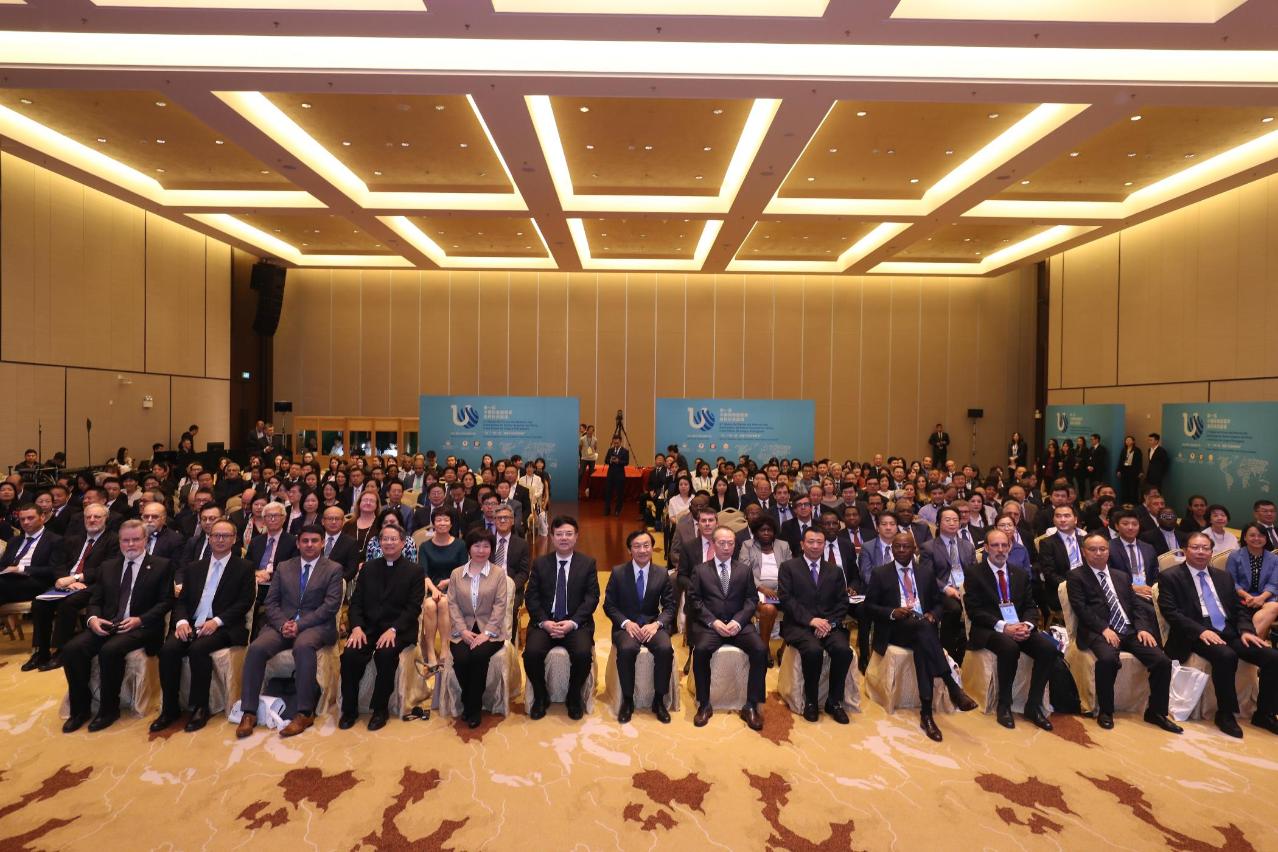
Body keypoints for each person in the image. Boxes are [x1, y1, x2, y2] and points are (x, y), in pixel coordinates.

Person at [1158, 532, 1278, 737]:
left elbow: (1239, 609)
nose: (1201, 552)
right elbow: (1171, 612)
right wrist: (1201, 630)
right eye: (1195, 547)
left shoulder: (1223, 577)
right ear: (1185, 550)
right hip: (1195, 632)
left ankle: (1264, 714)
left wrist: (1246, 630)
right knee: (1226, 655)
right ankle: (1225, 713)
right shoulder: (1170, 576)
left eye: (1205, 548)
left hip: (1228, 631)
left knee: (1272, 656)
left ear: (1211, 552)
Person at [61, 520, 174, 733]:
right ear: (120, 541)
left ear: (145, 540)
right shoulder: (108, 567)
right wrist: (93, 619)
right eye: (125, 540)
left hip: (143, 626)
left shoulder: (162, 565)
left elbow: (166, 602)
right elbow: (95, 600)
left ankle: (108, 710)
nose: (130, 544)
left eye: (136, 539)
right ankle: (80, 710)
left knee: (110, 650)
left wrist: (140, 619)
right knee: (72, 649)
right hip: (108, 623)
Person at [864, 532, 978, 742]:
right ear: (892, 549)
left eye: (905, 546)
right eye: (897, 547)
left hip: (921, 627)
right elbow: (869, 607)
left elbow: (938, 603)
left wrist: (933, 615)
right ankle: (952, 686)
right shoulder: (881, 573)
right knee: (924, 632)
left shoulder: (925, 572)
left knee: (922, 642)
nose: (901, 550)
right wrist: (892, 612)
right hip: (895, 628)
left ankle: (927, 714)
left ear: (914, 548)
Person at [1065, 534, 1181, 733]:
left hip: (1129, 630)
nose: (1098, 553)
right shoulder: (1076, 576)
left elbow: (1136, 605)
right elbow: (1081, 608)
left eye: (1103, 549)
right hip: (1099, 630)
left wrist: (1143, 628)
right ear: (1084, 552)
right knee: (1107, 659)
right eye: (1093, 549)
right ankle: (1106, 711)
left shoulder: (1121, 575)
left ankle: (1156, 712)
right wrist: (1104, 629)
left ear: (1108, 551)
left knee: (1162, 661)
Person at [236, 525, 343, 739]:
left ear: (322, 543)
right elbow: (271, 602)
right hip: (282, 624)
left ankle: (304, 713)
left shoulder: (333, 569)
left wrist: (299, 625)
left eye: (314, 540)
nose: (310, 545)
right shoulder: (284, 567)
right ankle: (249, 711)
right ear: (298, 543)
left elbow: (330, 606)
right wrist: (283, 623)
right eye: (305, 541)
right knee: (256, 648)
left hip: (316, 625)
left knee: (303, 646)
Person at [152, 519, 256, 733]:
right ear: (209, 538)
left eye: (225, 536)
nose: (220, 539)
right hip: (192, 623)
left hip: (224, 626)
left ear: (234, 539)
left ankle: (200, 707)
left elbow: (244, 602)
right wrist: (181, 621)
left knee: (198, 649)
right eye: (216, 535)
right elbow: (181, 601)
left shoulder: (244, 568)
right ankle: (170, 709)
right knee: (168, 650)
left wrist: (216, 622)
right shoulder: (194, 567)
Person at [964, 528, 1057, 730]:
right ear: (986, 548)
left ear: (1010, 547)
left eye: (1004, 545)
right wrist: (1005, 627)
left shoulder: (1020, 574)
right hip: (989, 628)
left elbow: (1030, 606)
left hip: (1019, 626)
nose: (1000, 550)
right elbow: (974, 611)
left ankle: (1033, 706)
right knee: (1009, 647)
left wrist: (1027, 625)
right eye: (995, 545)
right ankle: (1004, 705)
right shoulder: (974, 573)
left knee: (1049, 648)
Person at [339, 525, 425, 731]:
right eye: (385, 539)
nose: (389, 542)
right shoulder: (368, 568)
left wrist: (394, 629)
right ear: (379, 543)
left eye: (393, 539)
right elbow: (356, 603)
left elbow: (413, 608)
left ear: (403, 543)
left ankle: (380, 709)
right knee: (349, 655)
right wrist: (356, 627)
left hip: (399, 629)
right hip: (367, 628)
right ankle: (349, 710)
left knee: (385, 655)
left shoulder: (414, 571)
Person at [688, 525, 769, 730]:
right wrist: (713, 621)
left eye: (730, 543)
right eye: (722, 543)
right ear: (713, 544)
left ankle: (751, 705)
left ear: (735, 545)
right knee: (701, 650)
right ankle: (704, 704)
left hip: (738, 625)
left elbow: (751, 600)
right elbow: (694, 601)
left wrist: (738, 621)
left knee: (760, 649)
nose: (726, 547)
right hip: (711, 626)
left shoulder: (744, 570)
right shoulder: (700, 570)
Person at [522, 515, 599, 720]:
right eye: (559, 534)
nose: (564, 538)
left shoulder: (587, 563)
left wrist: (572, 623)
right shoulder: (540, 563)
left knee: (583, 654)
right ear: (552, 537)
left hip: (575, 623)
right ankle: (541, 696)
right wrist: (545, 622)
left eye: (568, 534)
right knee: (531, 653)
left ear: (576, 536)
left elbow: (592, 598)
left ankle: (573, 696)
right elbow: (531, 597)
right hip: (546, 622)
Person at [25, 504, 118, 672]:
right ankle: (41, 652)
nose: (92, 520)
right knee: (39, 603)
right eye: (88, 517)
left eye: (97, 517)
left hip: (92, 585)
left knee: (68, 604)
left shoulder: (113, 540)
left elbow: (107, 568)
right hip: (66, 583)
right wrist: (63, 579)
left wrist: (76, 578)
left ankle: (62, 651)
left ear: (106, 519)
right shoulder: (73, 539)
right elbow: (58, 563)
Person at [778, 527, 854, 724]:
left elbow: (842, 602)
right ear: (802, 544)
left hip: (829, 625)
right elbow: (787, 600)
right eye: (810, 542)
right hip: (800, 625)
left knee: (843, 650)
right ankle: (811, 701)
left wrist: (829, 623)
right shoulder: (788, 567)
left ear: (824, 545)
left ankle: (834, 702)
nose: (815, 546)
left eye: (819, 542)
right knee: (813, 651)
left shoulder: (835, 570)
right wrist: (811, 621)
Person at [603, 529, 676, 724]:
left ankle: (659, 700)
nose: (642, 550)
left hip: (652, 624)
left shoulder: (661, 573)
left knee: (665, 648)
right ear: (629, 550)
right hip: (626, 626)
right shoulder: (618, 572)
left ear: (652, 548)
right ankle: (628, 701)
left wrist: (657, 624)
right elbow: (609, 605)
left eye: (646, 546)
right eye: (637, 546)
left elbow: (670, 606)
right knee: (627, 649)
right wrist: (626, 623)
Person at [446, 528, 510, 729]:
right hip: (462, 630)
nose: (481, 550)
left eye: (486, 546)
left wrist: (487, 633)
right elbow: (452, 604)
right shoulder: (457, 574)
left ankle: (472, 708)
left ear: (491, 549)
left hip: (491, 631)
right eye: (476, 546)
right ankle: (470, 700)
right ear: (469, 548)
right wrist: (462, 630)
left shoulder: (498, 574)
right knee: (461, 659)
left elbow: (500, 605)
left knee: (479, 656)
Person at [918, 507, 975, 665]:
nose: (952, 523)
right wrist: (946, 588)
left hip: (966, 589)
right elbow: (927, 575)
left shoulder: (967, 546)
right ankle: (946, 653)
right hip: (941, 591)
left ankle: (970, 650)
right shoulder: (928, 547)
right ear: (938, 523)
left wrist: (968, 588)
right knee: (954, 609)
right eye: (947, 520)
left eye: (955, 520)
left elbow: (974, 572)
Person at [739, 514, 792, 664]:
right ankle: (763, 648)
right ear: (756, 532)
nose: (766, 533)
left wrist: (781, 589)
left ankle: (785, 649)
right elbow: (744, 571)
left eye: (770, 530)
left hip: (781, 590)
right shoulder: (747, 545)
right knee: (769, 609)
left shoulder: (783, 545)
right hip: (756, 590)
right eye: (763, 530)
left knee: (800, 606)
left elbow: (791, 570)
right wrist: (761, 588)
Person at [419, 511, 465, 671]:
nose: (442, 523)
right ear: (433, 523)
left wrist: (447, 582)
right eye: (439, 520)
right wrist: (434, 590)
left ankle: (445, 651)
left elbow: (463, 571)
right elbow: (423, 573)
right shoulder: (425, 547)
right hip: (431, 588)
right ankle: (431, 653)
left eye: (446, 520)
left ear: (451, 524)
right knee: (430, 605)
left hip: (454, 587)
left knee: (444, 603)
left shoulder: (460, 545)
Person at [0, 503, 66, 606]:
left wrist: (21, 569)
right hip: (8, 580)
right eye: (22, 519)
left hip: (35, 582)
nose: (26, 522)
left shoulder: (55, 540)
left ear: (42, 517)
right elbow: (2, 565)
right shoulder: (14, 540)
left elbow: (53, 569)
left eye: (30, 518)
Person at [1225, 523, 1278, 639]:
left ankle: (1251, 641)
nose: (1256, 538)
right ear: (1245, 537)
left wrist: (1262, 598)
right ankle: (1257, 642)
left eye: (1261, 535)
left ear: (1266, 538)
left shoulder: (1274, 559)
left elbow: (1273, 584)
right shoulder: (1234, 556)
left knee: (1274, 607)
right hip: (1241, 598)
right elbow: (1231, 581)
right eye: (1252, 535)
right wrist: (1247, 596)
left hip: (1266, 598)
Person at [1036, 504, 1087, 618]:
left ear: (1075, 519)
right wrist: (1073, 586)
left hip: (1087, 587)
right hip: (1062, 590)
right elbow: (1049, 573)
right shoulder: (1047, 543)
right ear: (1054, 520)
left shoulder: (1085, 540)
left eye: (1067, 516)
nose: (1062, 520)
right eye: (1058, 516)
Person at [1107, 509, 1160, 597]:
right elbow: (1108, 575)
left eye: (1135, 524)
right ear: (1116, 526)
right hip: (1123, 593)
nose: (1130, 527)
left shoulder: (1148, 548)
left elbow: (1156, 574)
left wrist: (1153, 589)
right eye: (1125, 524)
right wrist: (1132, 588)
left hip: (1149, 592)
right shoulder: (1109, 547)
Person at [319, 506, 361, 582]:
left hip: (337, 583)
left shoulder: (351, 543)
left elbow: (351, 570)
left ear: (343, 522)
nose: (333, 522)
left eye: (337, 519)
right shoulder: (315, 539)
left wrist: (334, 582)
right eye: (330, 518)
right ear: (323, 521)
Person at [602, 436, 629, 517]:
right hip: (610, 474)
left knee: (619, 493)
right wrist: (610, 460)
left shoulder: (625, 451)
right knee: (608, 492)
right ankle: (607, 509)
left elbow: (626, 462)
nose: (616, 444)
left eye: (617, 443)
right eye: (614, 443)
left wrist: (618, 461)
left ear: (620, 442)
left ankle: (618, 510)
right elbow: (606, 460)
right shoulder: (610, 450)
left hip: (620, 475)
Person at [578, 425, 598, 497]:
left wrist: (592, 453)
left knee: (591, 475)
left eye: (592, 430)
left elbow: (595, 448)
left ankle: (589, 490)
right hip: (584, 458)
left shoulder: (595, 439)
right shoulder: (582, 439)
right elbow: (580, 447)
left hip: (592, 459)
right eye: (590, 429)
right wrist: (583, 454)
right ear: (587, 430)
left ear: (593, 431)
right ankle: (577, 489)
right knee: (581, 473)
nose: (591, 431)